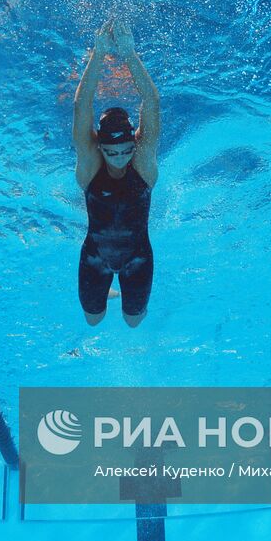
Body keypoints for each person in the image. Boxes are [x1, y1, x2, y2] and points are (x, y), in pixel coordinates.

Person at [72, 19, 161, 327]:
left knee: (133, 322)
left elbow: (152, 103)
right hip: (95, 259)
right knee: (93, 321)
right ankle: (109, 288)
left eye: (126, 151)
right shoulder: (90, 167)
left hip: (138, 260)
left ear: (135, 142)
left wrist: (130, 54)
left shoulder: (144, 166)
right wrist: (97, 55)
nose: (121, 159)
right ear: (99, 147)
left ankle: (122, 289)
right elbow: (81, 109)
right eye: (112, 152)